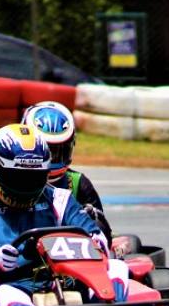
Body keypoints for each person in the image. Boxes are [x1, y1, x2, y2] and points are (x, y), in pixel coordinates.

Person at [0, 124, 130, 306]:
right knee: (2, 294)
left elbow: (95, 235)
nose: (26, 185)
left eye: (33, 178)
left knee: (116, 266)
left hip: (68, 280)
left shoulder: (60, 199)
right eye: (19, 177)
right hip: (16, 286)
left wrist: (94, 246)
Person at [20, 100, 113, 242]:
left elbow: (102, 233)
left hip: (69, 255)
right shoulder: (10, 179)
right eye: (45, 151)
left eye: (57, 152)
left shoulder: (78, 183)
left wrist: (92, 218)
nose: (50, 159)